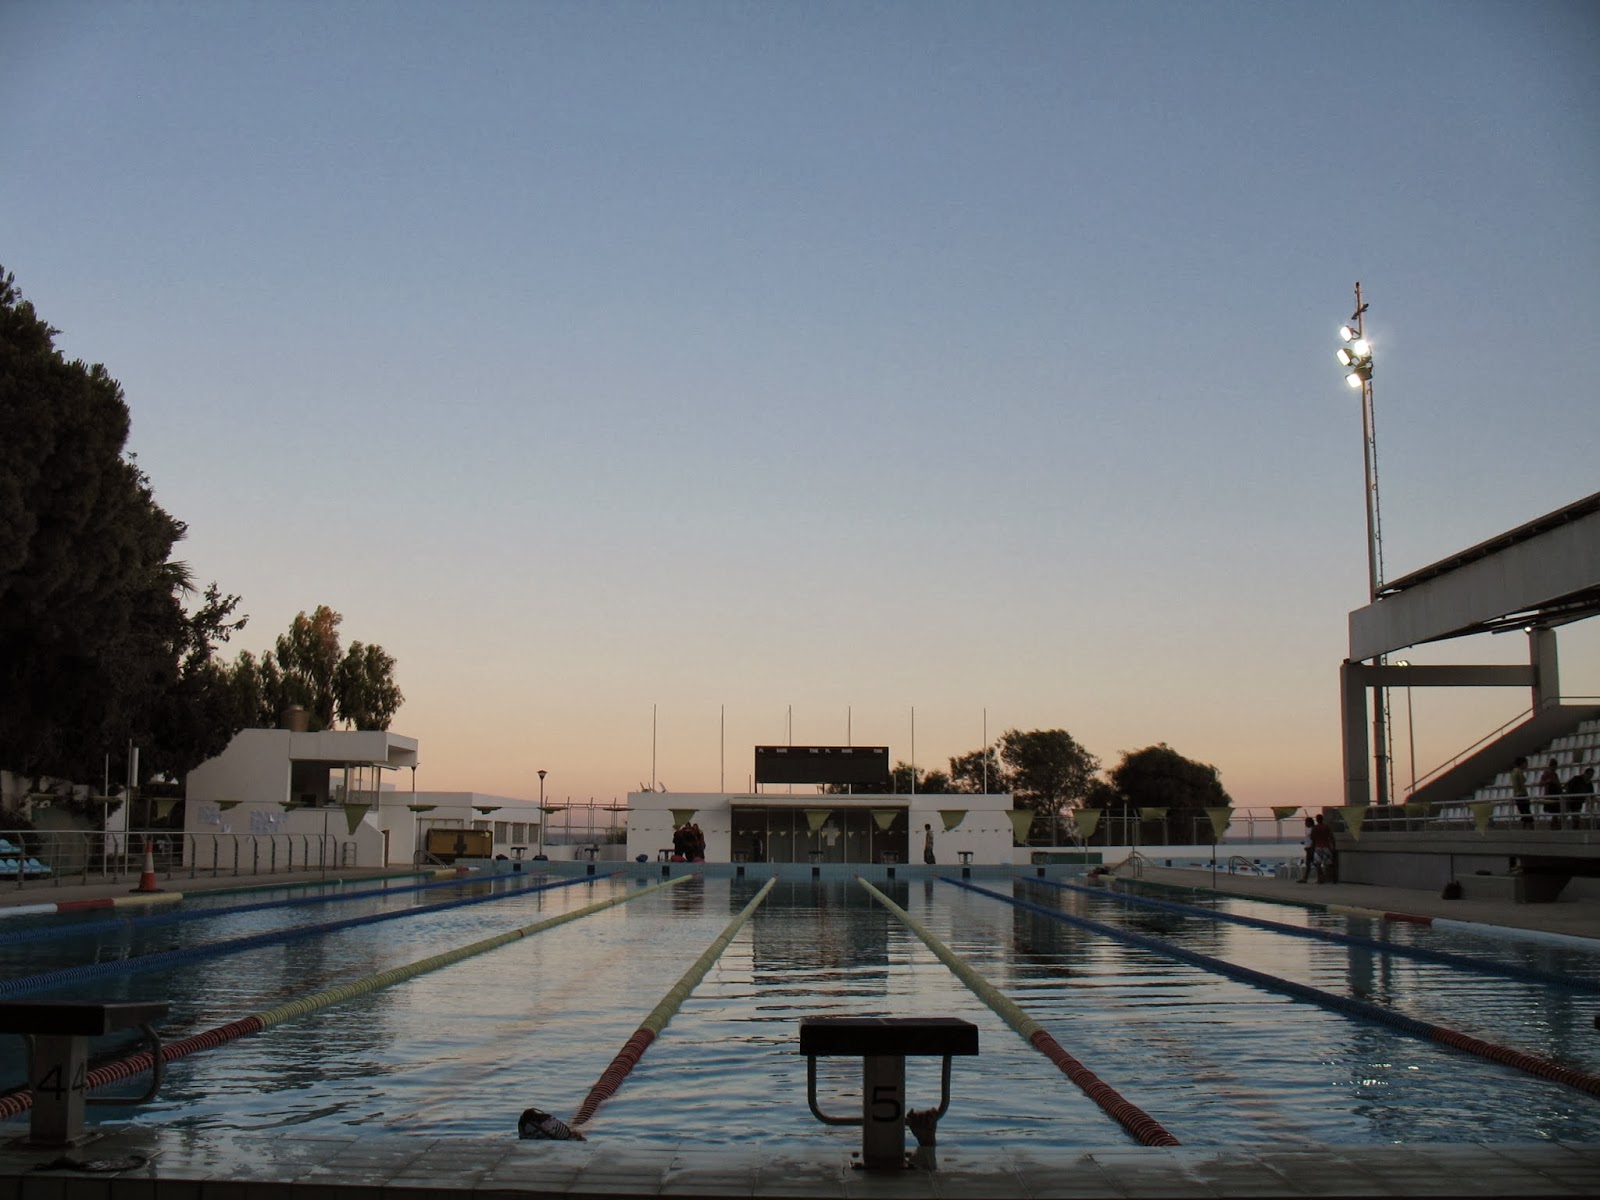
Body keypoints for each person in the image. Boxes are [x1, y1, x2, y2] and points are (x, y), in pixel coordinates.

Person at [1309, 814, 1336, 884]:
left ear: (1317, 819)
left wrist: (1311, 848)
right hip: (1326, 847)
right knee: (1330, 864)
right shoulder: (1326, 827)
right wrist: (1333, 847)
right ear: (1322, 819)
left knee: (1318, 864)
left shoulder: (1315, 828)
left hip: (1318, 847)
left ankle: (1320, 879)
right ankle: (1333, 878)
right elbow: (1331, 837)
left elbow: (1312, 838)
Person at [1540, 759, 1564, 828]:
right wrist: (1547, 781)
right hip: (1550, 793)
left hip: (1556, 793)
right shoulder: (1546, 774)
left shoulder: (1555, 775)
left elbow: (1558, 784)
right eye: (1554, 767)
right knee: (1554, 811)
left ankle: (1555, 824)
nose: (1555, 768)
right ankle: (1554, 825)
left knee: (1557, 811)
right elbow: (1540, 783)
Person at [1511, 756, 1532, 829]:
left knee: (1523, 814)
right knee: (1527, 813)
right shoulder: (1519, 772)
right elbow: (1522, 785)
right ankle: (1530, 829)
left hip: (1517, 795)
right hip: (1522, 795)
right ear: (1522, 763)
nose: (1527, 765)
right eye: (1526, 763)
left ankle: (1524, 828)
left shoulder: (1513, 772)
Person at [1298, 816, 1316, 883]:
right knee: (1312, 863)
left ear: (1309, 822)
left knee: (1309, 863)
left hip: (1310, 849)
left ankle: (1305, 878)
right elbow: (1309, 839)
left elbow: (1313, 840)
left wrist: (1311, 847)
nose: (1305, 824)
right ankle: (1306, 878)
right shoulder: (1311, 829)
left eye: (1306, 822)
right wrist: (1304, 842)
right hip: (1309, 848)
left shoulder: (1313, 829)